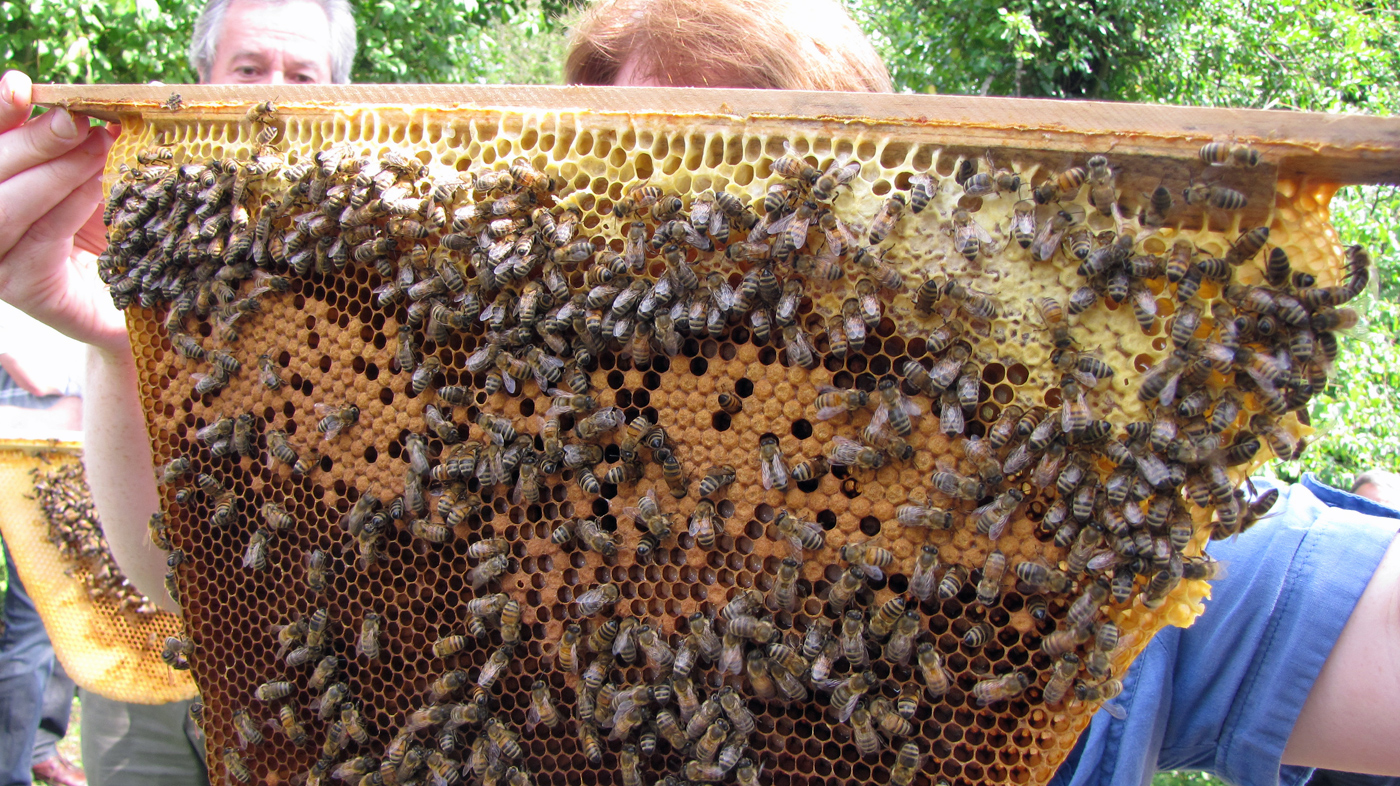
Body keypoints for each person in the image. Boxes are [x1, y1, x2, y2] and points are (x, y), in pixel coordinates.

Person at [2, 0, 1399, 782]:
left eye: (741, 204)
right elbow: (225, 583)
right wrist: (147, 341)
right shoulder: (504, 466)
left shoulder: (1057, 531)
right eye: (623, 199)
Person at [0, 1, 354, 784]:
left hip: (332, 675)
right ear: (202, 80)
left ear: (342, 92)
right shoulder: (149, 218)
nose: (274, 94)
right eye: (249, 69)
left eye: (302, 75)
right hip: (157, 649)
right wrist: (123, 333)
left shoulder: (375, 258)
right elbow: (169, 569)